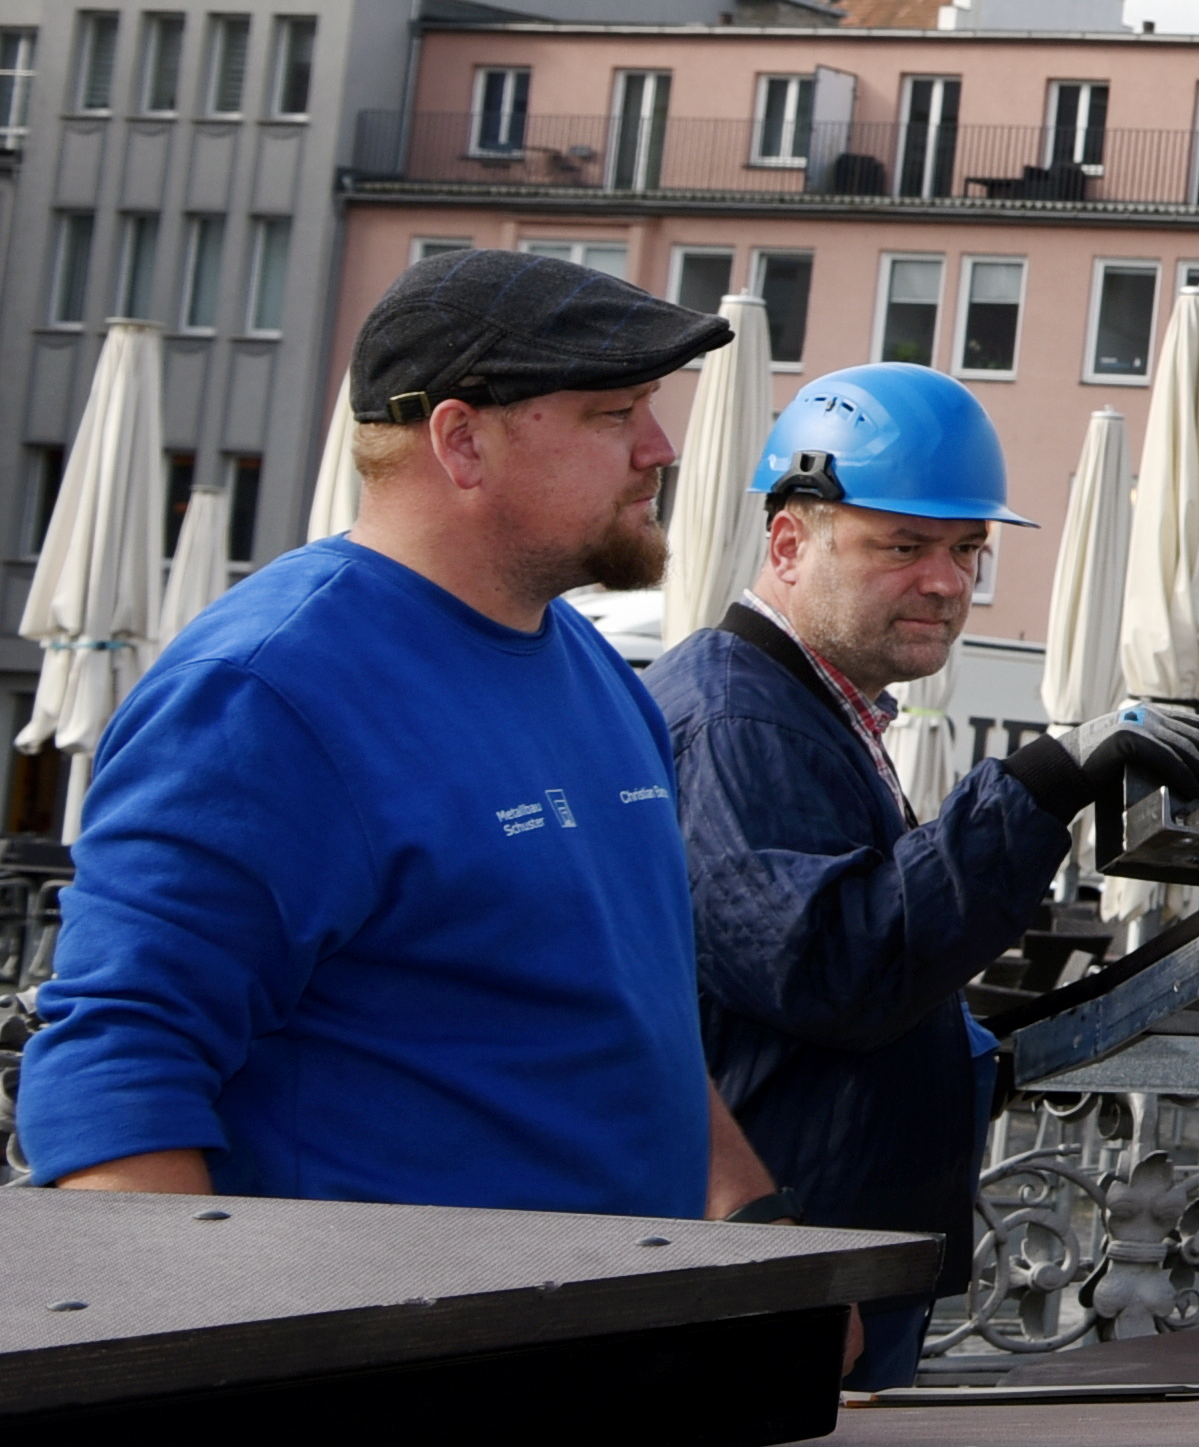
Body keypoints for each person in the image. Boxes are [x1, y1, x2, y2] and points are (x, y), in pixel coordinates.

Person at [19, 253, 768, 1217]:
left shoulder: (583, 660)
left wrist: (753, 1222)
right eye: (614, 414)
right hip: (390, 1349)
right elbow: (114, 1076)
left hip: (618, 1333)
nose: (661, 449)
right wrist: (227, 1355)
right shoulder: (264, 693)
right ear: (461, 443)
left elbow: (630, 1016)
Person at [653, 364, 1199, 1385]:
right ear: (788, 543)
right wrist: (1046, 777)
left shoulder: (801, 706)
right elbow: (834, 961)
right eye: (904, 544)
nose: (947, 579)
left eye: (968, 548)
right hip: (778, 1264)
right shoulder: (739, 715)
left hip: (819, 1254)